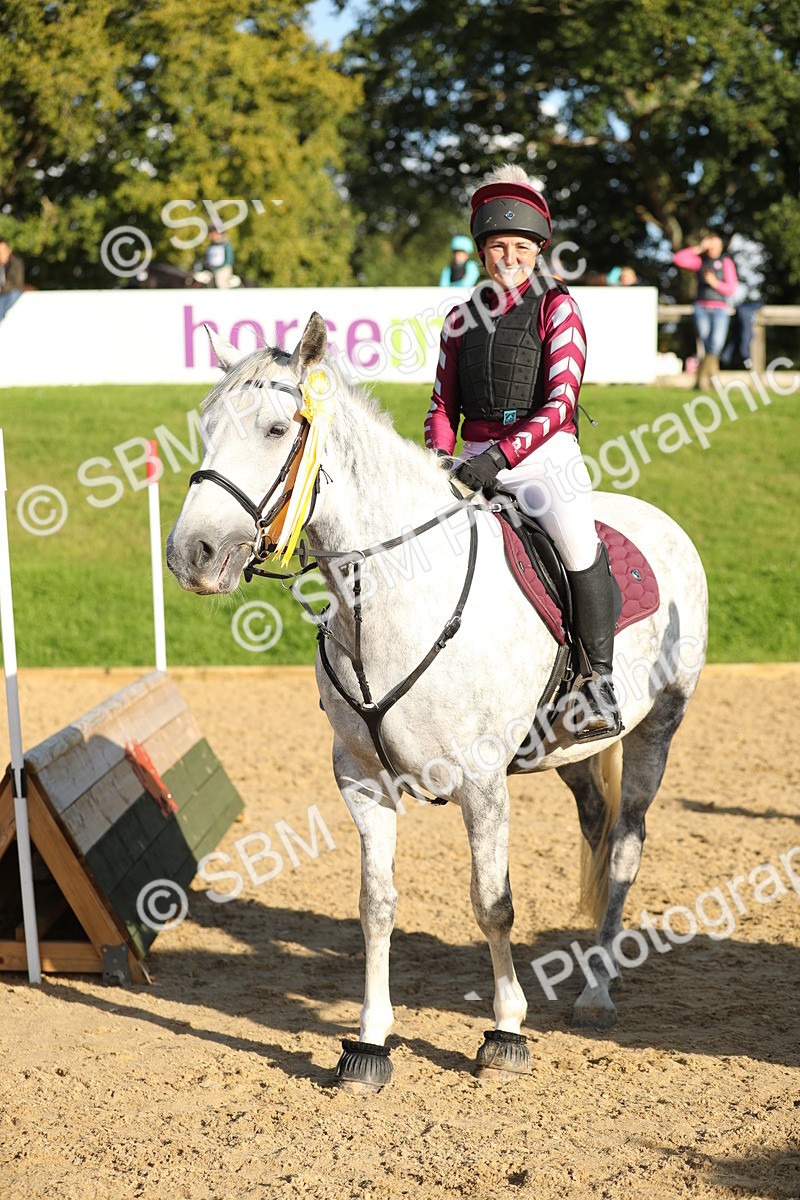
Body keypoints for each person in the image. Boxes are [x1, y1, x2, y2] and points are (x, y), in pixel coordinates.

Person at [425, 164, 622, 741]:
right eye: (496, 246)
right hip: (472, 456)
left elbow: (562, 403)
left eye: (518, 246)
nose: (507, 256)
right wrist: (440, 458)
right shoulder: (460, 319)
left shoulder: (557, 308)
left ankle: (599, 682)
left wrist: (500, 459)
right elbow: (442, 405)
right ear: (482, 251)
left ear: (536, 251)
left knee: (578, 545)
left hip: (542, 457)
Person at [672, 235, 738, 389]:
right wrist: (698, 248)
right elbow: (678, 259)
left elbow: (731, 289)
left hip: (720, 308)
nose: (713, 249)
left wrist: (716, 283)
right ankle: (711, 382)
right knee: (706, 342)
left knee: (716, 343)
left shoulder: (726, 263)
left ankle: (702, 380)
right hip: (701, 307)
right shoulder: (700, 262)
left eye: (716, 246)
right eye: (711, 246)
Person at [0, 238, 24, 320]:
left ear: (8, 251)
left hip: (9, 292)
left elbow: (18, 283)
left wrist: (2, 289)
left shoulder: (15, 263)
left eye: (2, 251)